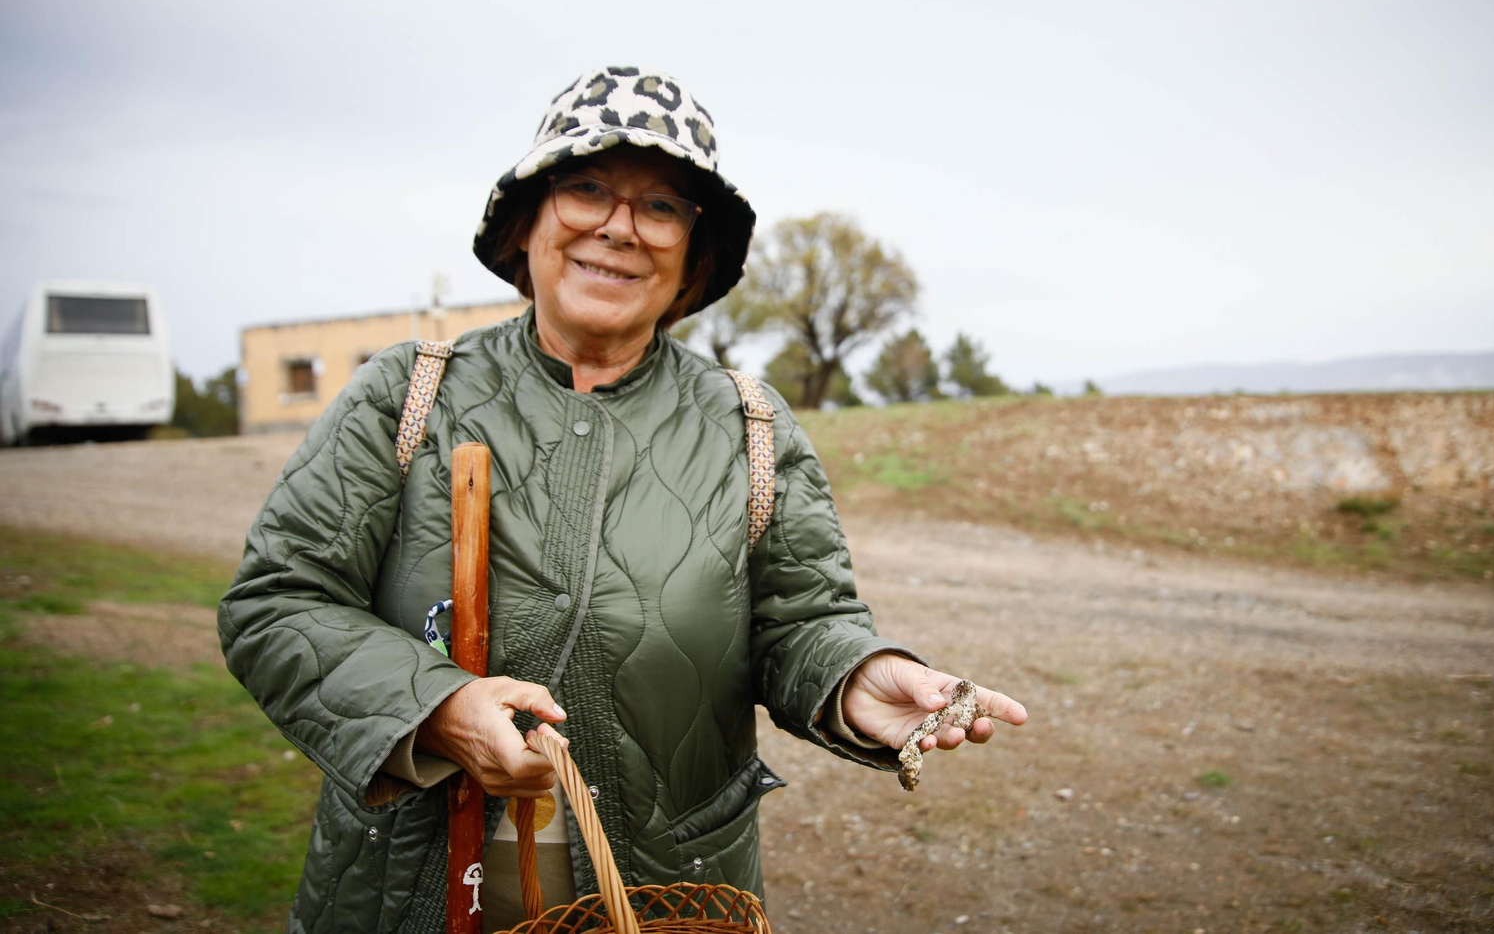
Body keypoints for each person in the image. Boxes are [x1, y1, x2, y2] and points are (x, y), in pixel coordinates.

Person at [218, 66, 1027, 934]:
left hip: (671, 892)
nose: (618, 227)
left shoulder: (750, 426)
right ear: (527, 219)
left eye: (661, 206)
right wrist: (439, 710)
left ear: (693, 251)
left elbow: (801, 622)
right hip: (402, 889)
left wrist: (854, 677)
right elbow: (277, 602)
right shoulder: (407, 394)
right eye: (587, 188)